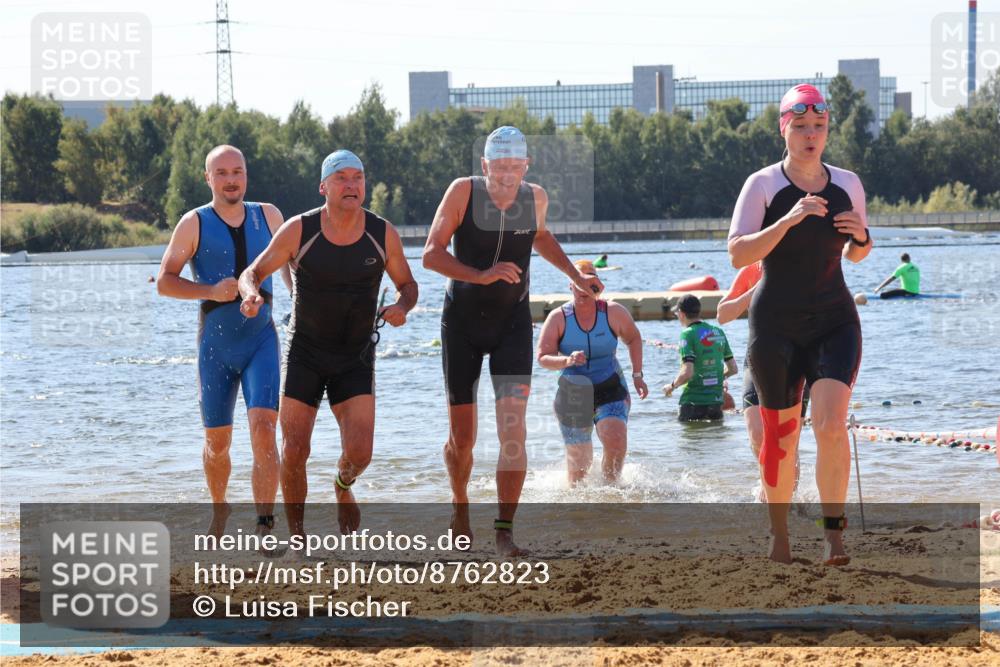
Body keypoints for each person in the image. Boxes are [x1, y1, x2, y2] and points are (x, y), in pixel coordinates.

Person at [422, 126, 604, 556]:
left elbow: (539, 236)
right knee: (462, 438)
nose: (506, 176)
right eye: (498, 167)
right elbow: (431, 253)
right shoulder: (463, 193)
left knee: (513, 432)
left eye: (514, 167)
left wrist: (575, 276)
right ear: (485, 166)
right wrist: (481, 275)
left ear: (527, 166)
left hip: (512, 327)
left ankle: (504, 532)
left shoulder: (534, 197)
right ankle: (459, 503)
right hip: (462, 324)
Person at [728, 84, 872, 565]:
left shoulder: (848, 183)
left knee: (831, 425)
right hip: (775, 326)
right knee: (780, 437)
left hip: (835, 318)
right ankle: (780, 534)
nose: (811, 135)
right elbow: (738, 254)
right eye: (801, 126)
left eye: (820, 126)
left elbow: (857, 253)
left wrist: (863, 238)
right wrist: (787, 220)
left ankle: (833, 537)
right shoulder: (763, 185)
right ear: (783, 129)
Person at [238, 150, 418, 535]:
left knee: (360, 453)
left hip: (355, 356)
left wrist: (403, 306)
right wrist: (250, 295)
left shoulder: (381, 232)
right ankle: (299, 537)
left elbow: (409, 285)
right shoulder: (299, 230)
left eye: (358, 177)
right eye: (342, 178)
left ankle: (342, 485)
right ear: (323, 186)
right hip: (304, 351)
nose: (352, 184)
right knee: (295, 450)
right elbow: (252, 272)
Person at [156, 145, 290, 537]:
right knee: (218, 443)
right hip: (215, 347)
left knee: (265, 427)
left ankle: (265, 523)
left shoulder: (269, 216)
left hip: (261, 339)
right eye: (222, 173)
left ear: (246, 174)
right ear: (208, 178)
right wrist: (211, 291)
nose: (231, 179)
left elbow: (289, 268)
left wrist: (300, 297)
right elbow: (165, 282)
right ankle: (219, 507)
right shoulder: (193, 223)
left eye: (238, 171)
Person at [536, 259, 648, 485]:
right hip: (572, 393)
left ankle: (610, 494)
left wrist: (637, 375)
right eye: (578, 282)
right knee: (579, 469)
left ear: (597, 285)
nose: (583, 288)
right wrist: (566, 360)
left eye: (589, 281)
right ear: (570, 286)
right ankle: (579, 510)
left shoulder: (613, 312)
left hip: (610, 385)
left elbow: (634, 338)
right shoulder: (559, 318)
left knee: (616, 442)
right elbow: (542, 358)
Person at [718, 261, 809, 500]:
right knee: (758, 436)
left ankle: (785, 503)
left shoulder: (805, 263)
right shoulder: (752, 270)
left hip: (797, 359)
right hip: (758, 358)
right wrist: (756, 289)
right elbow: (723, 315)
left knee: (787, 443)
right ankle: (770, 492)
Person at [664, 295, 737, 421]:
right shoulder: (718, 332)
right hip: (716, 404)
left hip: (692, 404)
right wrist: (717, 378)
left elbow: (687, 373)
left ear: (681, 313)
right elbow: (733, 369)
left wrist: (671, 387)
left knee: (690, 439)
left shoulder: (687, 334)